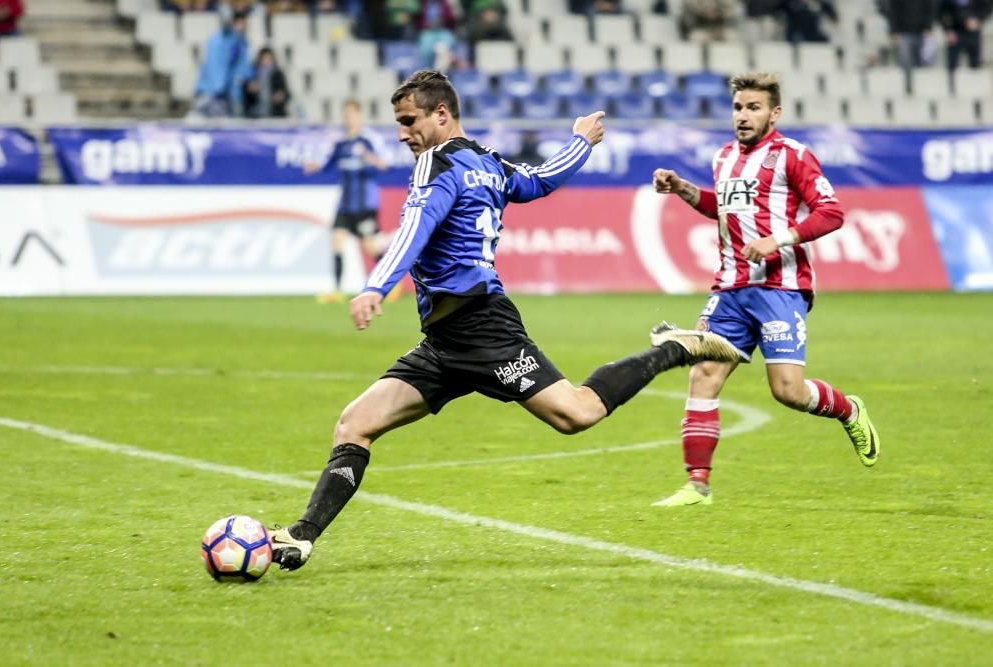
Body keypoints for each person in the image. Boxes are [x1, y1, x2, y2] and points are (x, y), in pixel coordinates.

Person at [268, 69, 743, 570]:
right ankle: (302, 536)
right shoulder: (487, 162)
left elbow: (414, 227)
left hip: (483, 328)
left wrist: (375, 286)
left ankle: (676, 348)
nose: (403, 133)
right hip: (445, 340)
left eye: (410, 121)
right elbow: (538, 181)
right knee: (355, 423)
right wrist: (580, 142)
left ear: (442, 113)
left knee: (577, 413)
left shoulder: (438, 162)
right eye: (399, 124)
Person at [649, 71, 880, 507]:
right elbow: (723, 208)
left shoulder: (793, 155)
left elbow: (831, 213)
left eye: (753, 108)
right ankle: (697, 485)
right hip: (731, 286)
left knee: (787, 391)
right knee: (704, 375)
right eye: (738, 107)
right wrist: (681, 189)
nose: (743, 116)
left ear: (775, 113)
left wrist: (779, 239)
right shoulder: (723, 158)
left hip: (780, 287)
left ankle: (849, 409)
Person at [305, 98, 389, 303]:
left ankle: (388, 286)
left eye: (352, 114)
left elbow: (385, 165)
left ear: (359, 115)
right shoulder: (341, 144)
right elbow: (329, 164)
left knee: (371, 247)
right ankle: (337, 290)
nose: (348, 119)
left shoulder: (369, 140)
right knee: (337, 241)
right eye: (346, 115)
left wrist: (369, 157)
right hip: (345, 204)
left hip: (365, 204)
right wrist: (315, 167)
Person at [190, 12, 251, 118]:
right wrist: (217, 88)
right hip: (213, 91)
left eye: (244, 24)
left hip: (229, 92)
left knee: (231, 124)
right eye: (239, 24)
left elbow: (242, 67)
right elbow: (214, 65)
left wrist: (244, 78)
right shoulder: (218, 40)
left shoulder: (241, 42)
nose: (242, 27)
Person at [939, 0, 993, 70]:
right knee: (952, 66)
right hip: (955, 33)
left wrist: (977, 20)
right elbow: (941, 13)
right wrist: (948, 30)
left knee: (975, 66)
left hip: (973, 34)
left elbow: (987, 8)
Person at [242, 46, 290, 118]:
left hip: (275, 114)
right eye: (264, 58)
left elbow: (286, 94)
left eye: (269, 58)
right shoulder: (253, 72)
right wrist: (249, 89)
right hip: (256, 114)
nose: (267, 61)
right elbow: (245, 91)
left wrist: (281, 96)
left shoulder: (278, 74)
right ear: (260, 59)